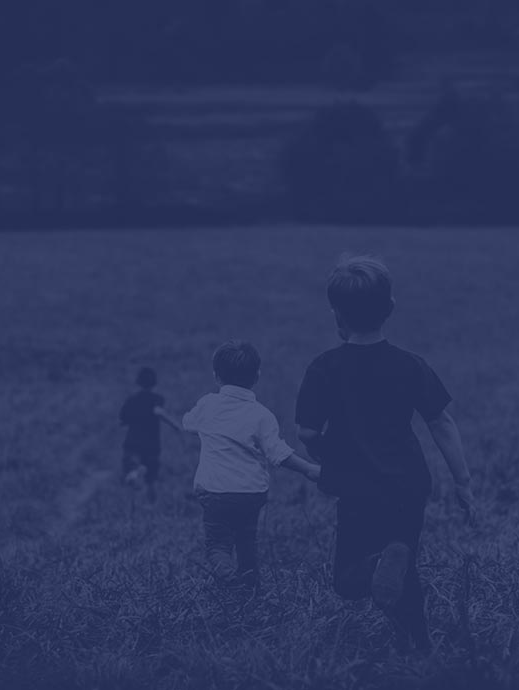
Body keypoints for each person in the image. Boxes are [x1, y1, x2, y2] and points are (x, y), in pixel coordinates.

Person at [295, 255, 475, 655]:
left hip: (357, 489)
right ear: (390, 308)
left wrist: (324, 452)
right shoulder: (410, 365)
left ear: (335, 314)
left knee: (347, 580)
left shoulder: (324, 367)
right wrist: (462, 481)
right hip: (408, 487)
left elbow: (306, 431)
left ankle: (378, 563)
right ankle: (420, 647)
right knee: (402, 569)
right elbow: (441, 422)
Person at [183, 341, 321, 591]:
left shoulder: (208, 404)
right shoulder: (261, 415)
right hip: (250, 493)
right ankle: (251, 590)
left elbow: (188, 423)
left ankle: (229, 580)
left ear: (216, 376)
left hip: (215, 492)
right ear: (257, 376)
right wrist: (309, 468)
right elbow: (277, 452)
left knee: (217, 546)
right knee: (247, 540)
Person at [120, 366, 181, 502]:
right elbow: (159, 412)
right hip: (151, 444)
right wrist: (176, 426)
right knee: (151, 479)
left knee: (130, 468)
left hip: (132, 442)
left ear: (138, 381)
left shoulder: (131, 400)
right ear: (154, 382)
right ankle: (151, 502)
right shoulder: (157, 398)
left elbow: (123, 419)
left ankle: (136, 472)